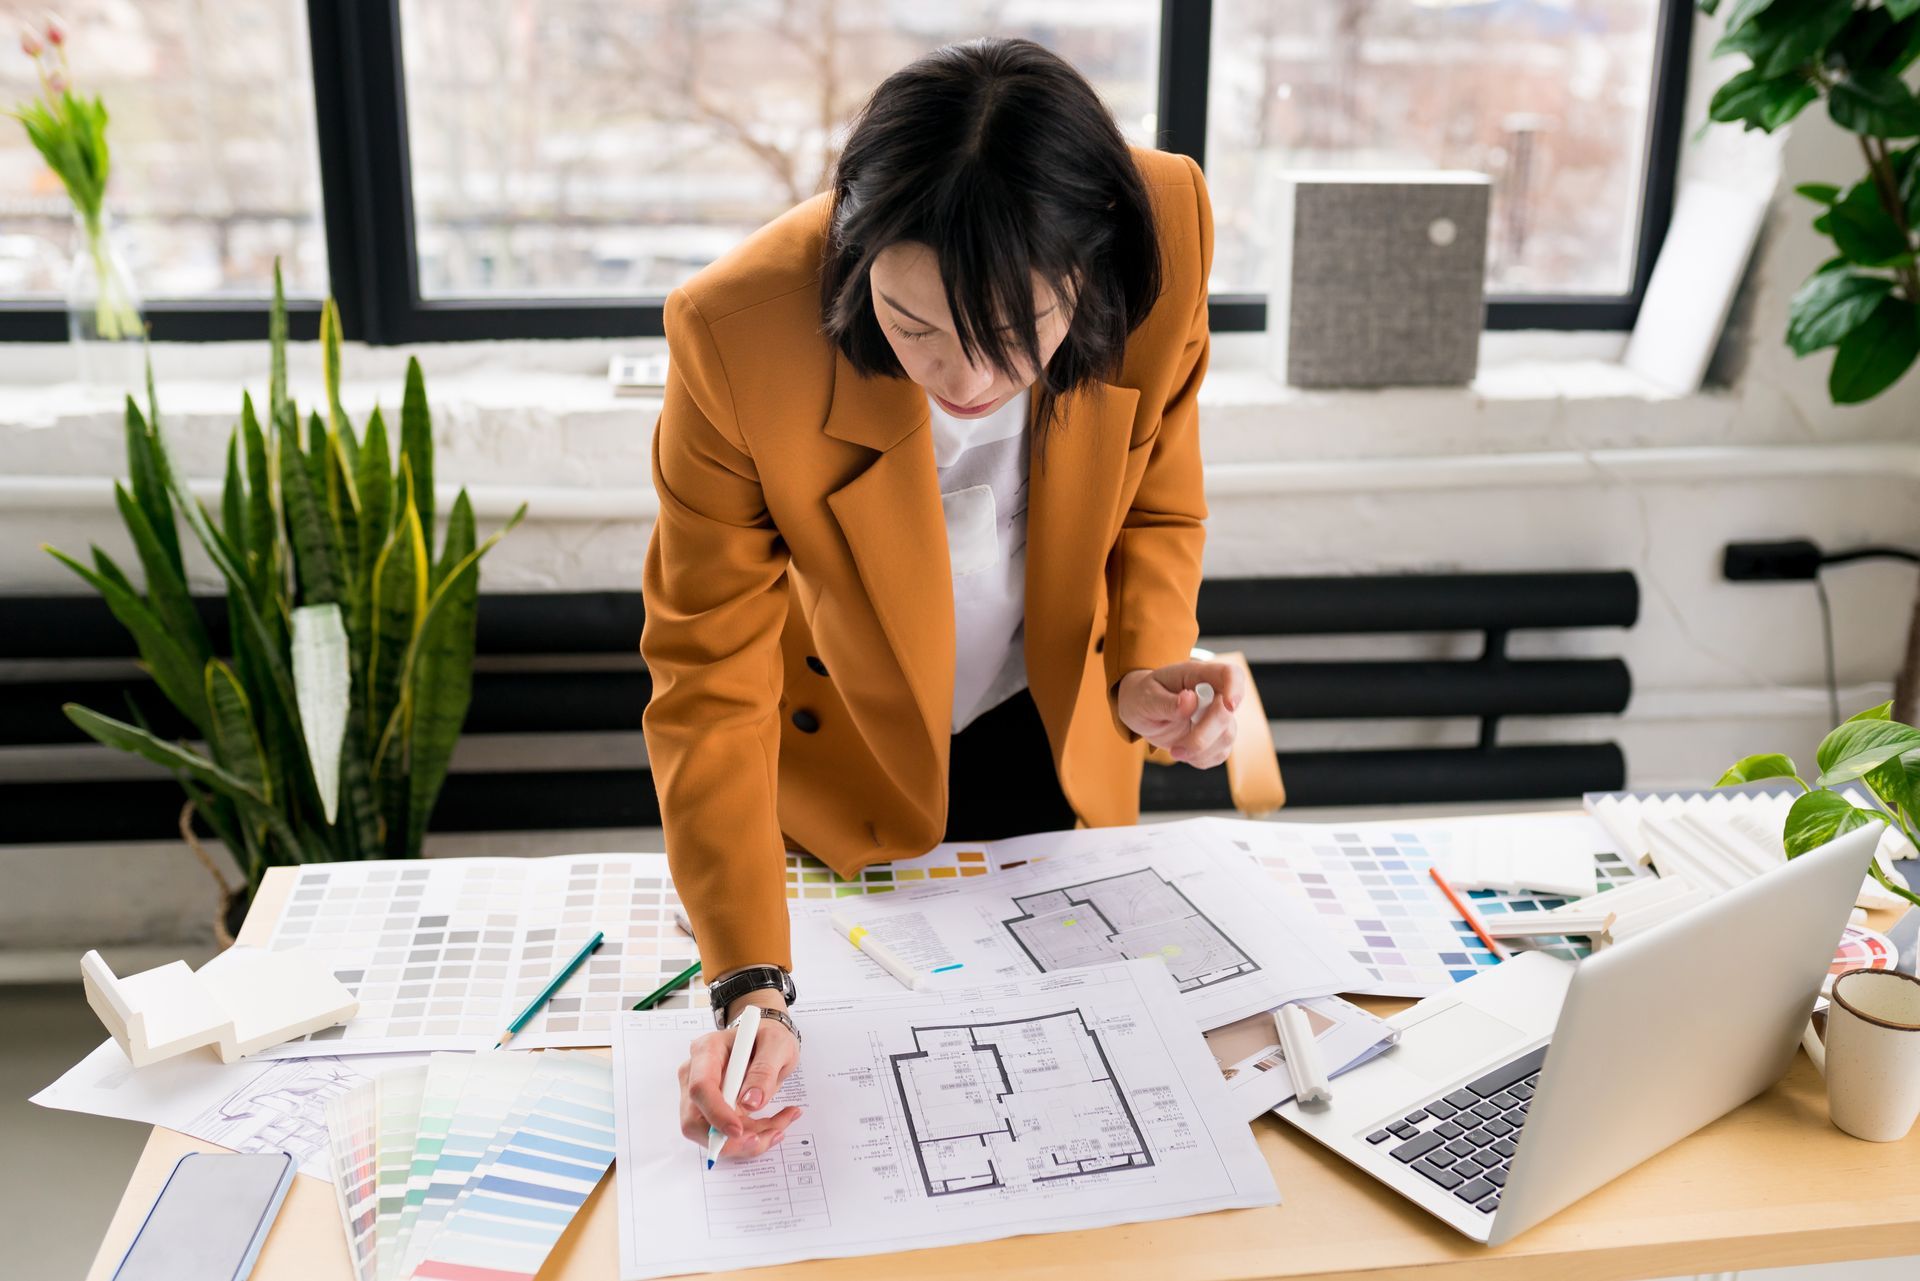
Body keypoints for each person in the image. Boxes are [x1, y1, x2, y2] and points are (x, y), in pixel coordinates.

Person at [642, 36, 1245, 1163]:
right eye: (911, 325)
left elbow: (1158, 493)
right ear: (857, 251)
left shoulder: (1166, 223)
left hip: (1057, 732)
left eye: (1015, 338)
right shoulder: (736, 333)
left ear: (1096, 270)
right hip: (843, 760)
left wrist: (1143, 670)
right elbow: (707, 679)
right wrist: (750, 988)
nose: (963, 382)